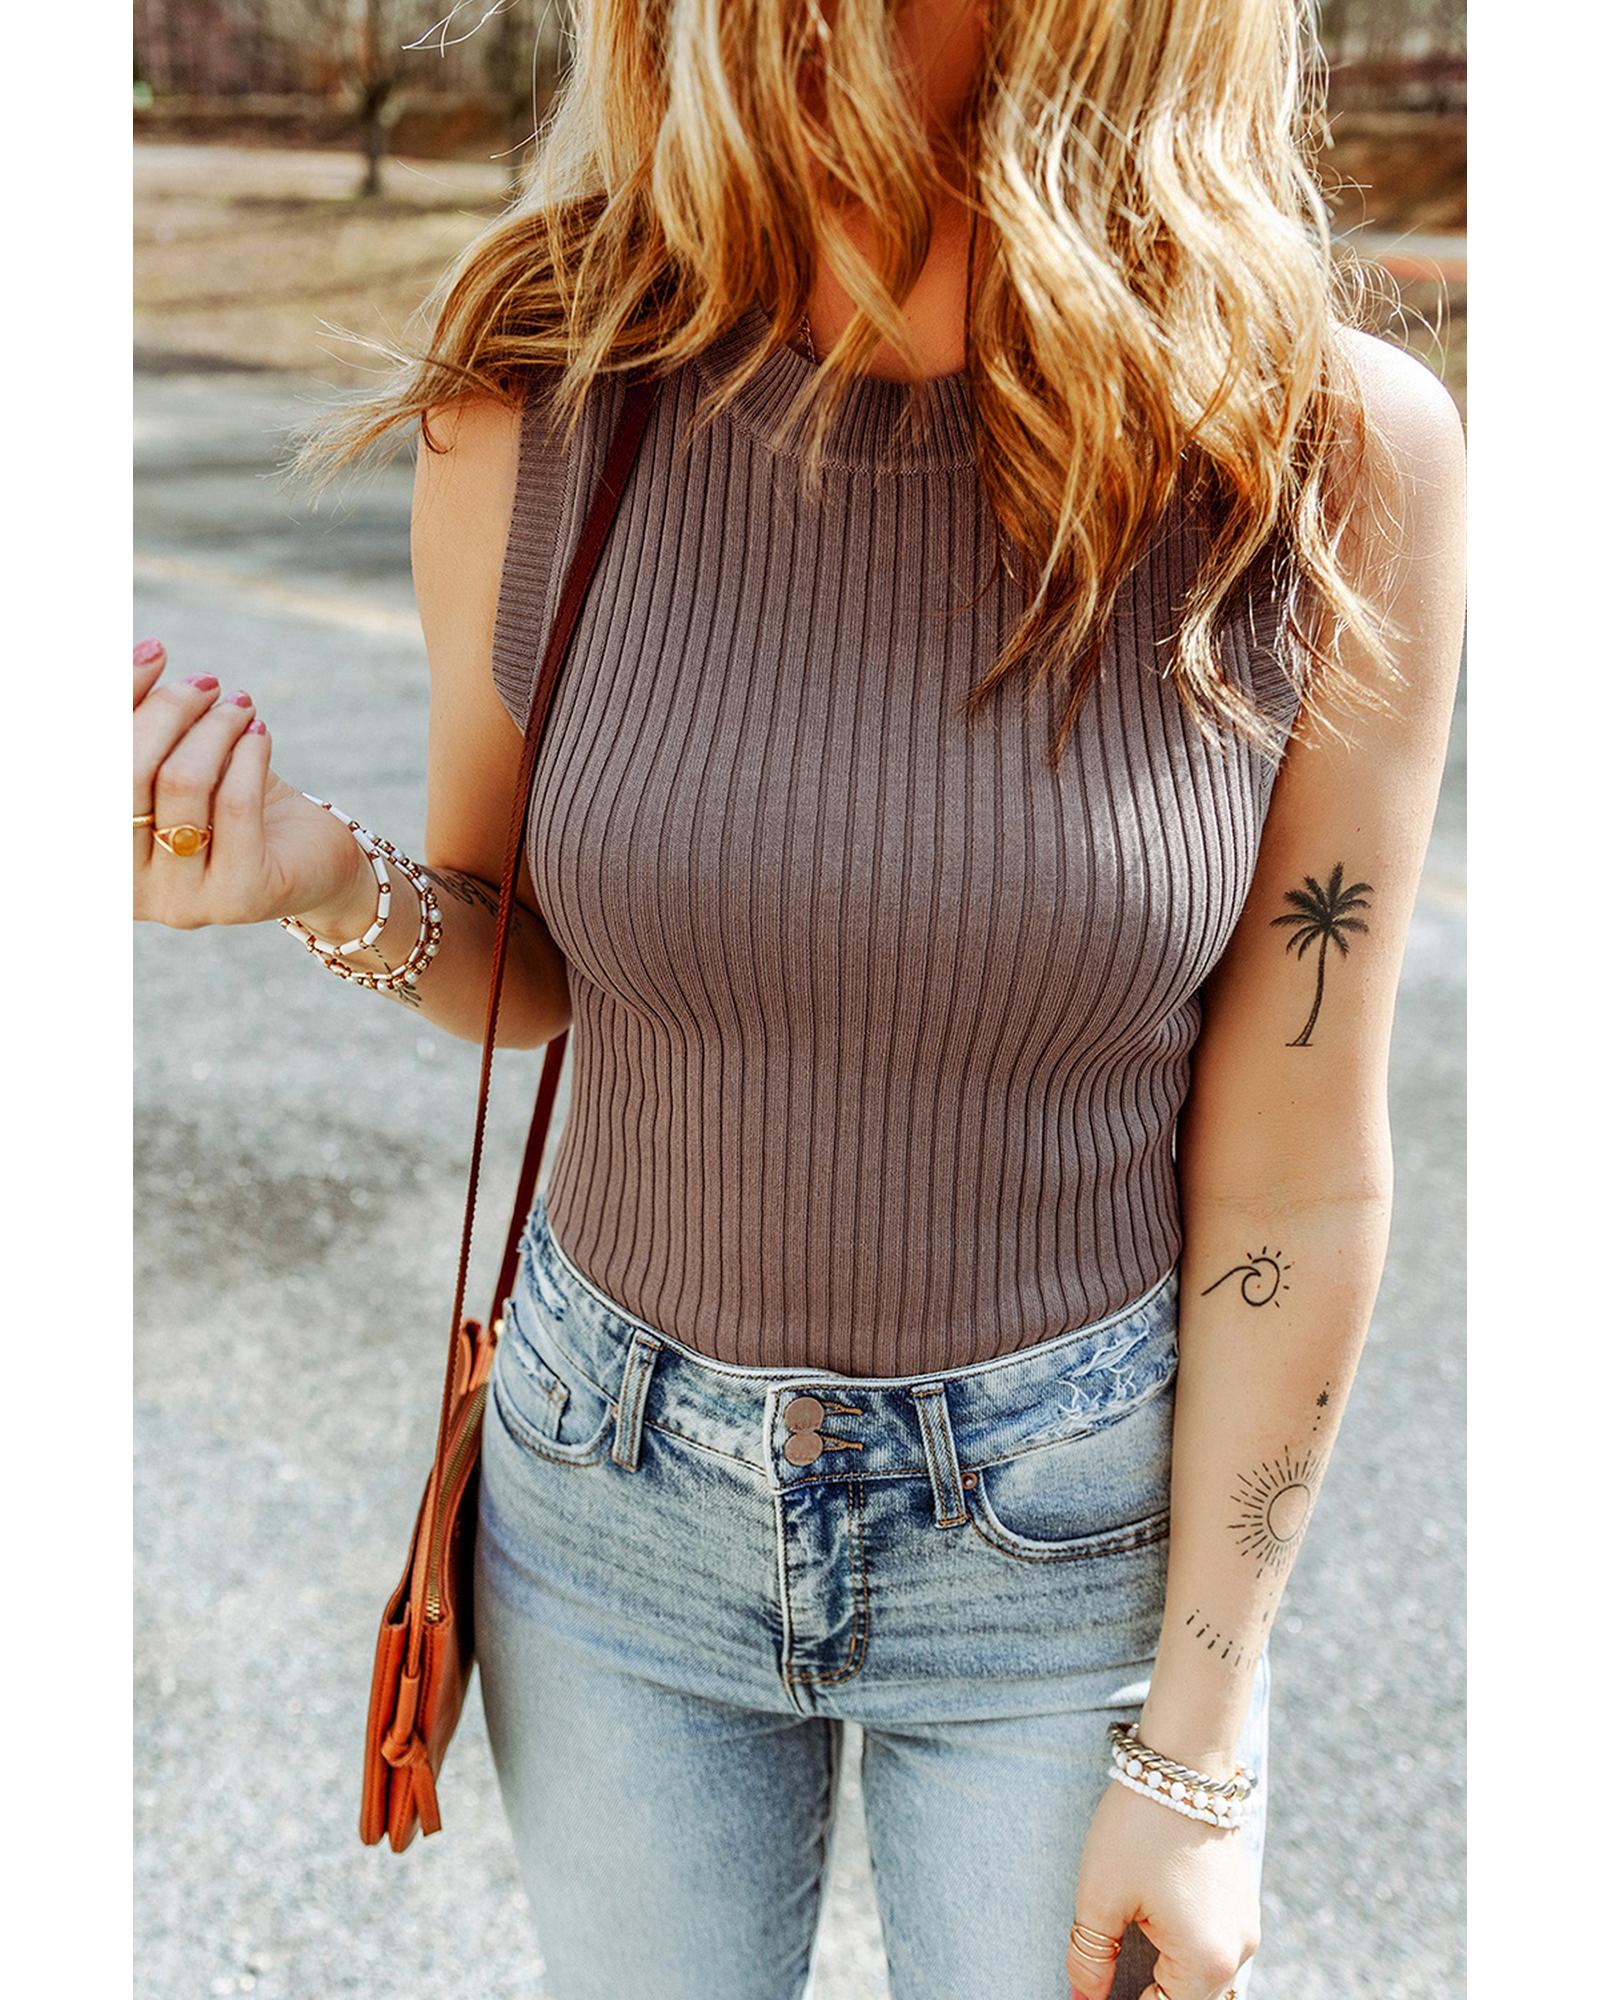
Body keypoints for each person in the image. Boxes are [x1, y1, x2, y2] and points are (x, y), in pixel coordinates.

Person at [131, 4, 1465, 1996]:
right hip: (606, 1499)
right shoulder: (546, 380)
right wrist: (324, 882)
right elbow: (529, 961)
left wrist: (1198, 1754)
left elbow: (1298, 1163)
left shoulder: (1327, 458)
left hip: (1062, 1555)